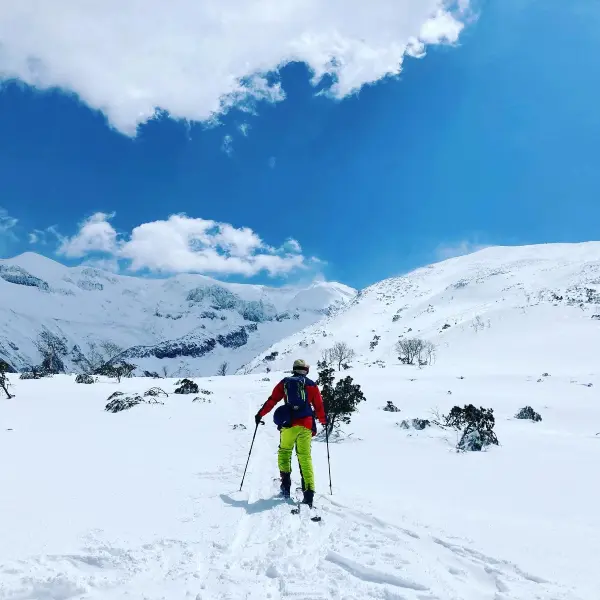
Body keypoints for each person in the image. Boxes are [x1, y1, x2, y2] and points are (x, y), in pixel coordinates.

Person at [255, 359, 326, 507]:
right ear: (306, 370)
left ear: (294, 369)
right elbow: (318, 405)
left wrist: (261, 414)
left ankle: (285, 486)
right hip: (306, 424)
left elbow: (273, 400)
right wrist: (323, 420)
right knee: (305, 457)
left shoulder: (285, 382)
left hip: (289, 424)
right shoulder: (311, 384)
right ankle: (309, 494)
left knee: (285, 452)